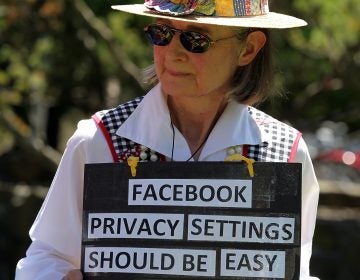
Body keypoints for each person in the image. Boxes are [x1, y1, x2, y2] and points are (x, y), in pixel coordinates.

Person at [15, 0, 320, 279]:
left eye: (196, 39)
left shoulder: (285, 154)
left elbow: (294, 270)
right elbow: (46, 257)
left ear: (248, 49)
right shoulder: (97, 141)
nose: (173, 52)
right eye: (162, 33)